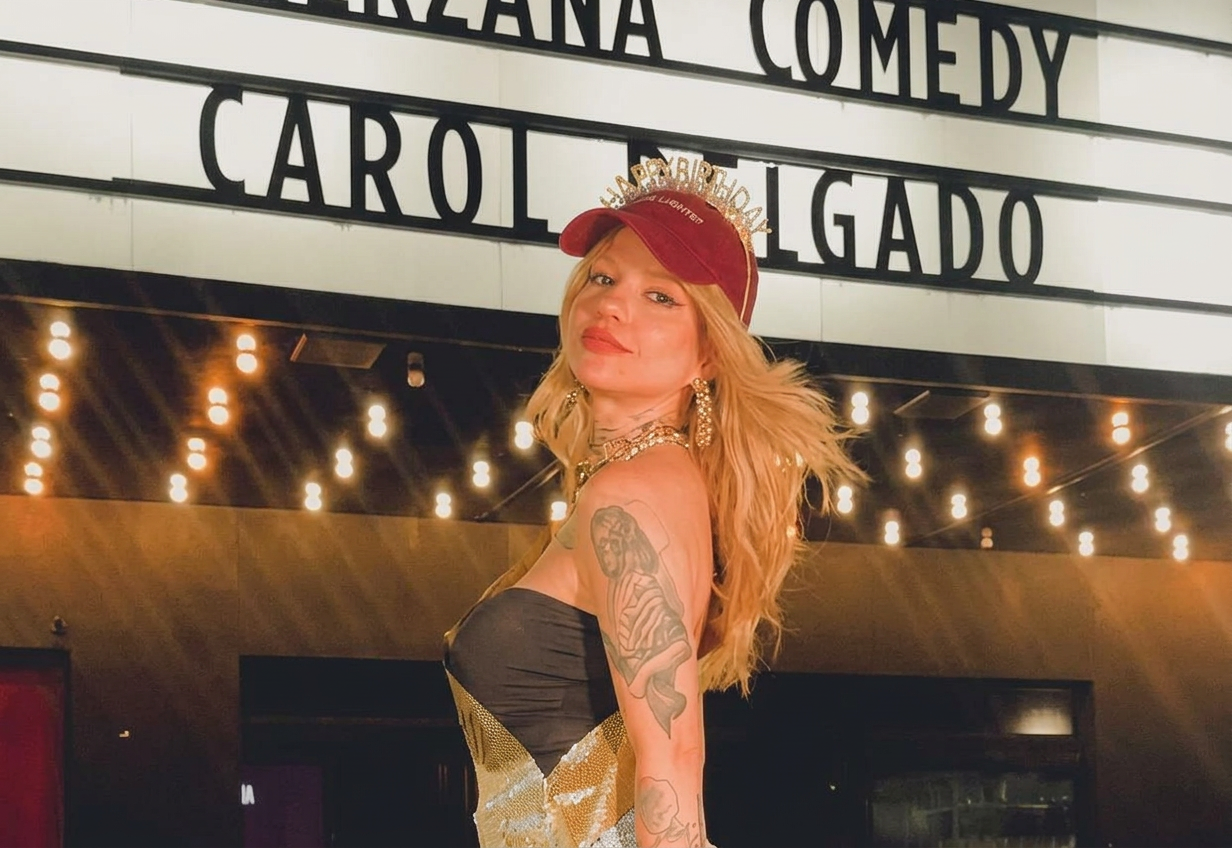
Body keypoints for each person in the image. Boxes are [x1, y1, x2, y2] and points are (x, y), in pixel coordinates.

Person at [443, 157, 861, 847]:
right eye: (603, 278)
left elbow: (674, 763)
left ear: (708, 355)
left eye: (661, 296)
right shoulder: (647, 482)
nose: (612, 305)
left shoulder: (632, 495)